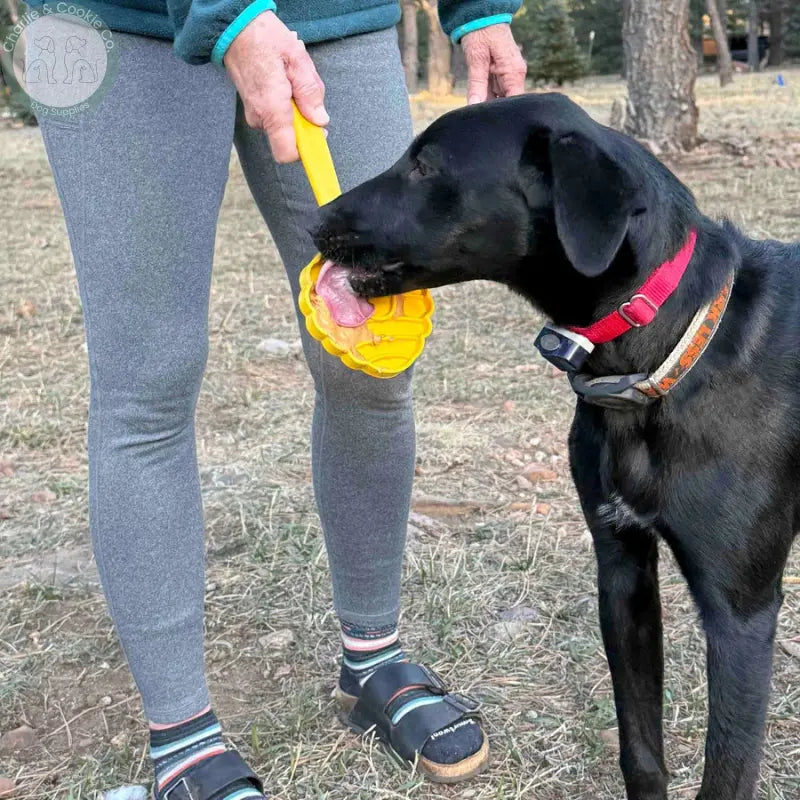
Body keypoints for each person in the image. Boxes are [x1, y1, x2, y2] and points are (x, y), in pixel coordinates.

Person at [29, 0, 526, 796]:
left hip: (332, 17)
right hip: (111, 23)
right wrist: (226, 14)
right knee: (147, 383)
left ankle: (372, 659)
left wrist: (476, 9)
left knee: (373, 354)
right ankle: (182, 737)